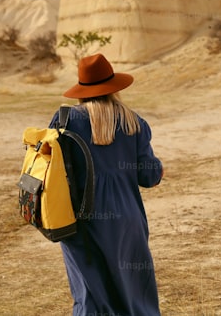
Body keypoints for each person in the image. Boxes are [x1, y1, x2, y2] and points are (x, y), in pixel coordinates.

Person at [51, 52, 164, 316]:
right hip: (128, 221)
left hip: (79, 219)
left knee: (90, 295)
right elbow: (148, 177)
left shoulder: (66, 121)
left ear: (81, 89)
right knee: (135, 294)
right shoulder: (133, 122)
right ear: (114, 87)